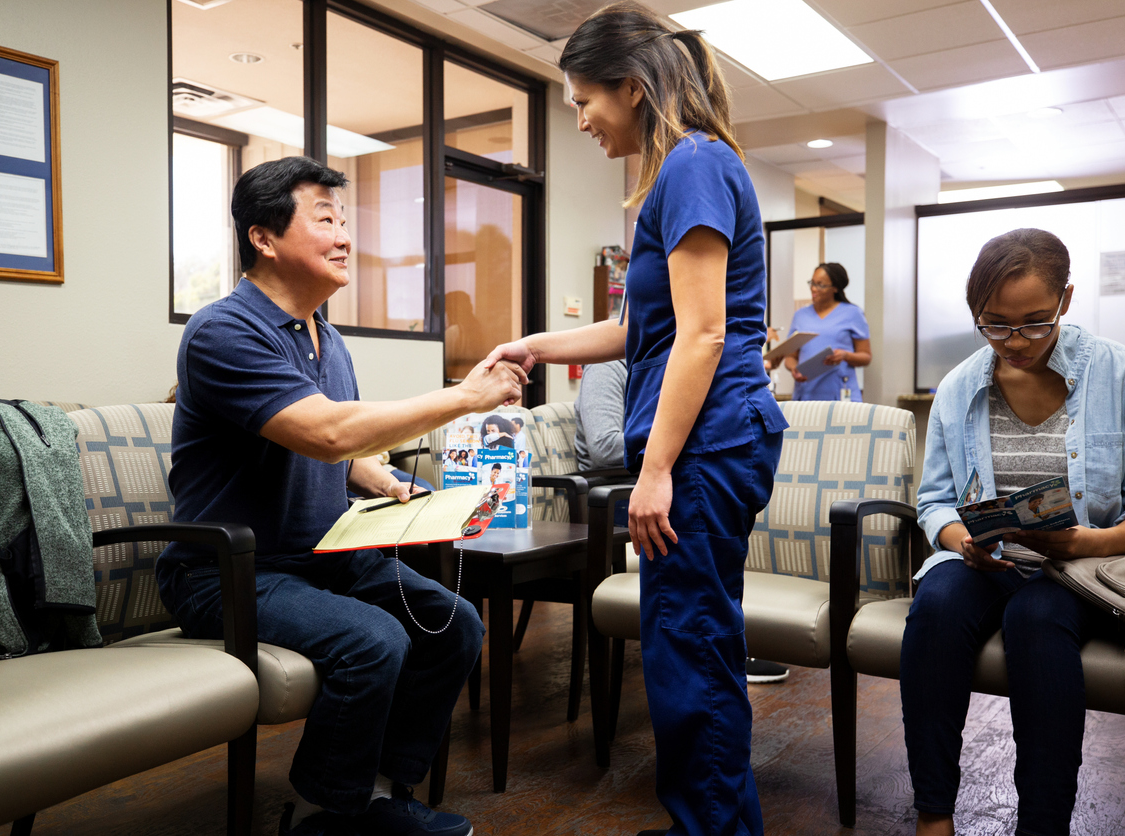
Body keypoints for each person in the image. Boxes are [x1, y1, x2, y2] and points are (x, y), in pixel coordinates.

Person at [157, 155, 528, 836]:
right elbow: (325, 433)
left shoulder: (327, 338)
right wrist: (464, 398)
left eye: (344, 219)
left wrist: (391, 483)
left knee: (456, 628)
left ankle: (380, 796)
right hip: (226, 574)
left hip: (318, 557)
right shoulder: (223, 331)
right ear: (263, 238)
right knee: (374, 640)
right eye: (324, 218)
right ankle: (326, 814)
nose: (344, 236)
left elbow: (344, 451)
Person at [484, 5, 788, 833]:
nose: (579, 118)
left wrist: (653, 471)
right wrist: (534, 344)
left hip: (707, 443)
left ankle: (714, 828)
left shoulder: (691, 163)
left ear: (633, 87)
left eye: (585, 99)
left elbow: (705, 334)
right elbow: (636, 330)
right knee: (692, 645)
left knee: (688, 652)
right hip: (716, 436)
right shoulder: (682, 172)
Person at [901, 228, 1125, 836]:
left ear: (1067, 300)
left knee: (1036, 617)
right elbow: (933, 501)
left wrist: (1088, 542)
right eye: (994, 325)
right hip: (987, 560)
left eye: (1033, 322)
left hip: (1080, 571)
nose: (1015, 342)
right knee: (936, 608)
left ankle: (1043, 825)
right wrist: (959, 540)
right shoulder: (958, 388)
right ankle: (933, 816)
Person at [574, 359, 789, 685]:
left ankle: (719, 643)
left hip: (652, 480)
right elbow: (603, 447)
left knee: (715, 492)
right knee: (698, 495)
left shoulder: (666, 366)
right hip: (613, 496)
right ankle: (705, 653)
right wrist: (673, 444)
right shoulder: (608, 367)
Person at [783, 262, 871, 401]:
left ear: (835, 288)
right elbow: (790, 357)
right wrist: (795, 369)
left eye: (820, 284)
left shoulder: (853, 313)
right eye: (812, 283)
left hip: (841, 394)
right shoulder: (800, 316)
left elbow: (866, 356)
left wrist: (845, 355)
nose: (813, 288)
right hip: (807, 395)